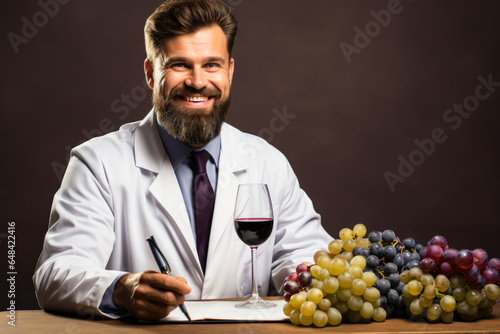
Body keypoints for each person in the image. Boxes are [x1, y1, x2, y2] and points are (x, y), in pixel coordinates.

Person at [33, 0, 332, 321]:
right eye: (179, 65)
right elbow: (55, 273)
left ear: (230, 71)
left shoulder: (268, 162)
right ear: (150, 73)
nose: (197, 81)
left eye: (212, 65)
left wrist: (305, 278)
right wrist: (122, 288)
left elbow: (305, 255)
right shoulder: (98, 163)